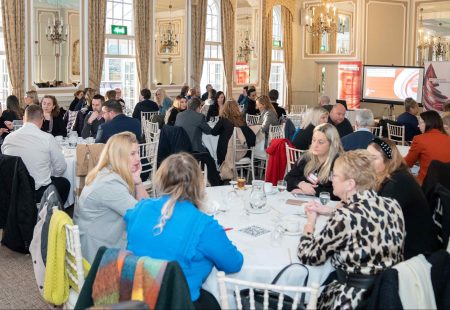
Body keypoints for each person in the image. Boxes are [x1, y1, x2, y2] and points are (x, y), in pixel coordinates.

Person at [125, 153, 243, 307]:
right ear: (198, 184)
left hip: (136, 299)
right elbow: (234, 264)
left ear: (161, 179)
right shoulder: (203, 225)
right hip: (178, 302)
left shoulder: (139, 208)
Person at [298, 150, 405, 309]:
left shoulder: (345, 217)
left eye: (335, 175)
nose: (331, 179)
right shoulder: (393, 205)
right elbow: (366, 219)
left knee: (302, 296)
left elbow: (309, 256)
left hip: (353, 300)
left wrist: (309, 225)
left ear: (350, 184)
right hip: (390, 295)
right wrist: (331, 211)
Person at [74, 132, 149, 263]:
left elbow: (143, 208)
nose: (138, 159)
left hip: (98, 240)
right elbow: (144, 216)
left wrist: (137, 181)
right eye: (132, 154)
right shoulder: (109, 184)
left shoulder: (108, 172)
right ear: (118, 156)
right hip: (98, 255)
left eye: (137, 153)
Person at [367, 138, 438, 259]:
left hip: (413, 252)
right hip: (404, 240)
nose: (368, 162)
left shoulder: (397, 183)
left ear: (388, 160)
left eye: (373, 158)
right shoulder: (393, 175)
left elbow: (377, 222)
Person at [1, 105, 69, 203]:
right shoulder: (47, 138)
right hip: (38, 192)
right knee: (64, 183)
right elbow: (61, 168)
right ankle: (50, 215)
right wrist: (49, 175)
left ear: (24, 119)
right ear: (42, 119)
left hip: (13, 189)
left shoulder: (8, 138)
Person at [285, 123, 343, 200]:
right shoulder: (306, 157)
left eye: (321, 142)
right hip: (304, 204)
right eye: (314, 140)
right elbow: (288, 179)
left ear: (331, 144)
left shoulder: (339, 163)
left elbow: (340, 193)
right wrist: (301, 184)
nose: (315, 145)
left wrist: (310, 191)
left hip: (327, 207)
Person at [405, 110, 450, 184]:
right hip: (446, 186)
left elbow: (408, 163)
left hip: (426, 185)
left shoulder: (419, 139)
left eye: (420, 122)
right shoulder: (448, 138)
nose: (418, 126)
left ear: (427, 123)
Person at [211, 99, 246, 165]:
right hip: (240, 151)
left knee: (222, 142)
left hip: (226, 152)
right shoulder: (242, 119)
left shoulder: (223, 119)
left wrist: (222, 131)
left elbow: (213, 132)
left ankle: (222, 168)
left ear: (225, 108)